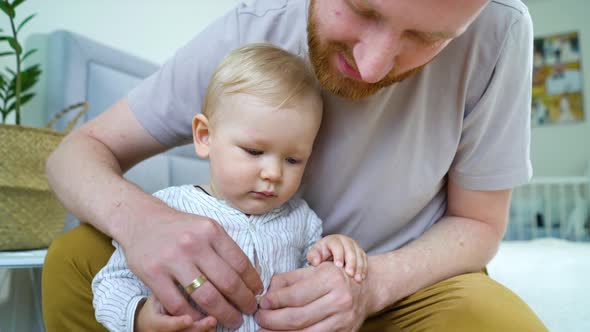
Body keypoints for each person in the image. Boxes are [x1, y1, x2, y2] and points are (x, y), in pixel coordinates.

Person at [43, 0, 548, 331]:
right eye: (358, 7)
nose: (372, 66)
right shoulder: (252, 27)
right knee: (74, 257)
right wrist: (143, 224)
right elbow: (75, 153)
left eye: (427, 38)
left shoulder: (500, 31)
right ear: (205, 135)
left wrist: (372, 283)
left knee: (494, 320)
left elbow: (479, 223)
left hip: (404, 286)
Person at [91, 43, 368, 332]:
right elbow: (111, 283)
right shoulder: (168, 209)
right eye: (253, 151)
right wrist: (139, 318)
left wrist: (333, 255)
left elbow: (316, 288)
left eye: (293, 159)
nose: (273, 173)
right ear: (205, 136)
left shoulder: (302, 220)